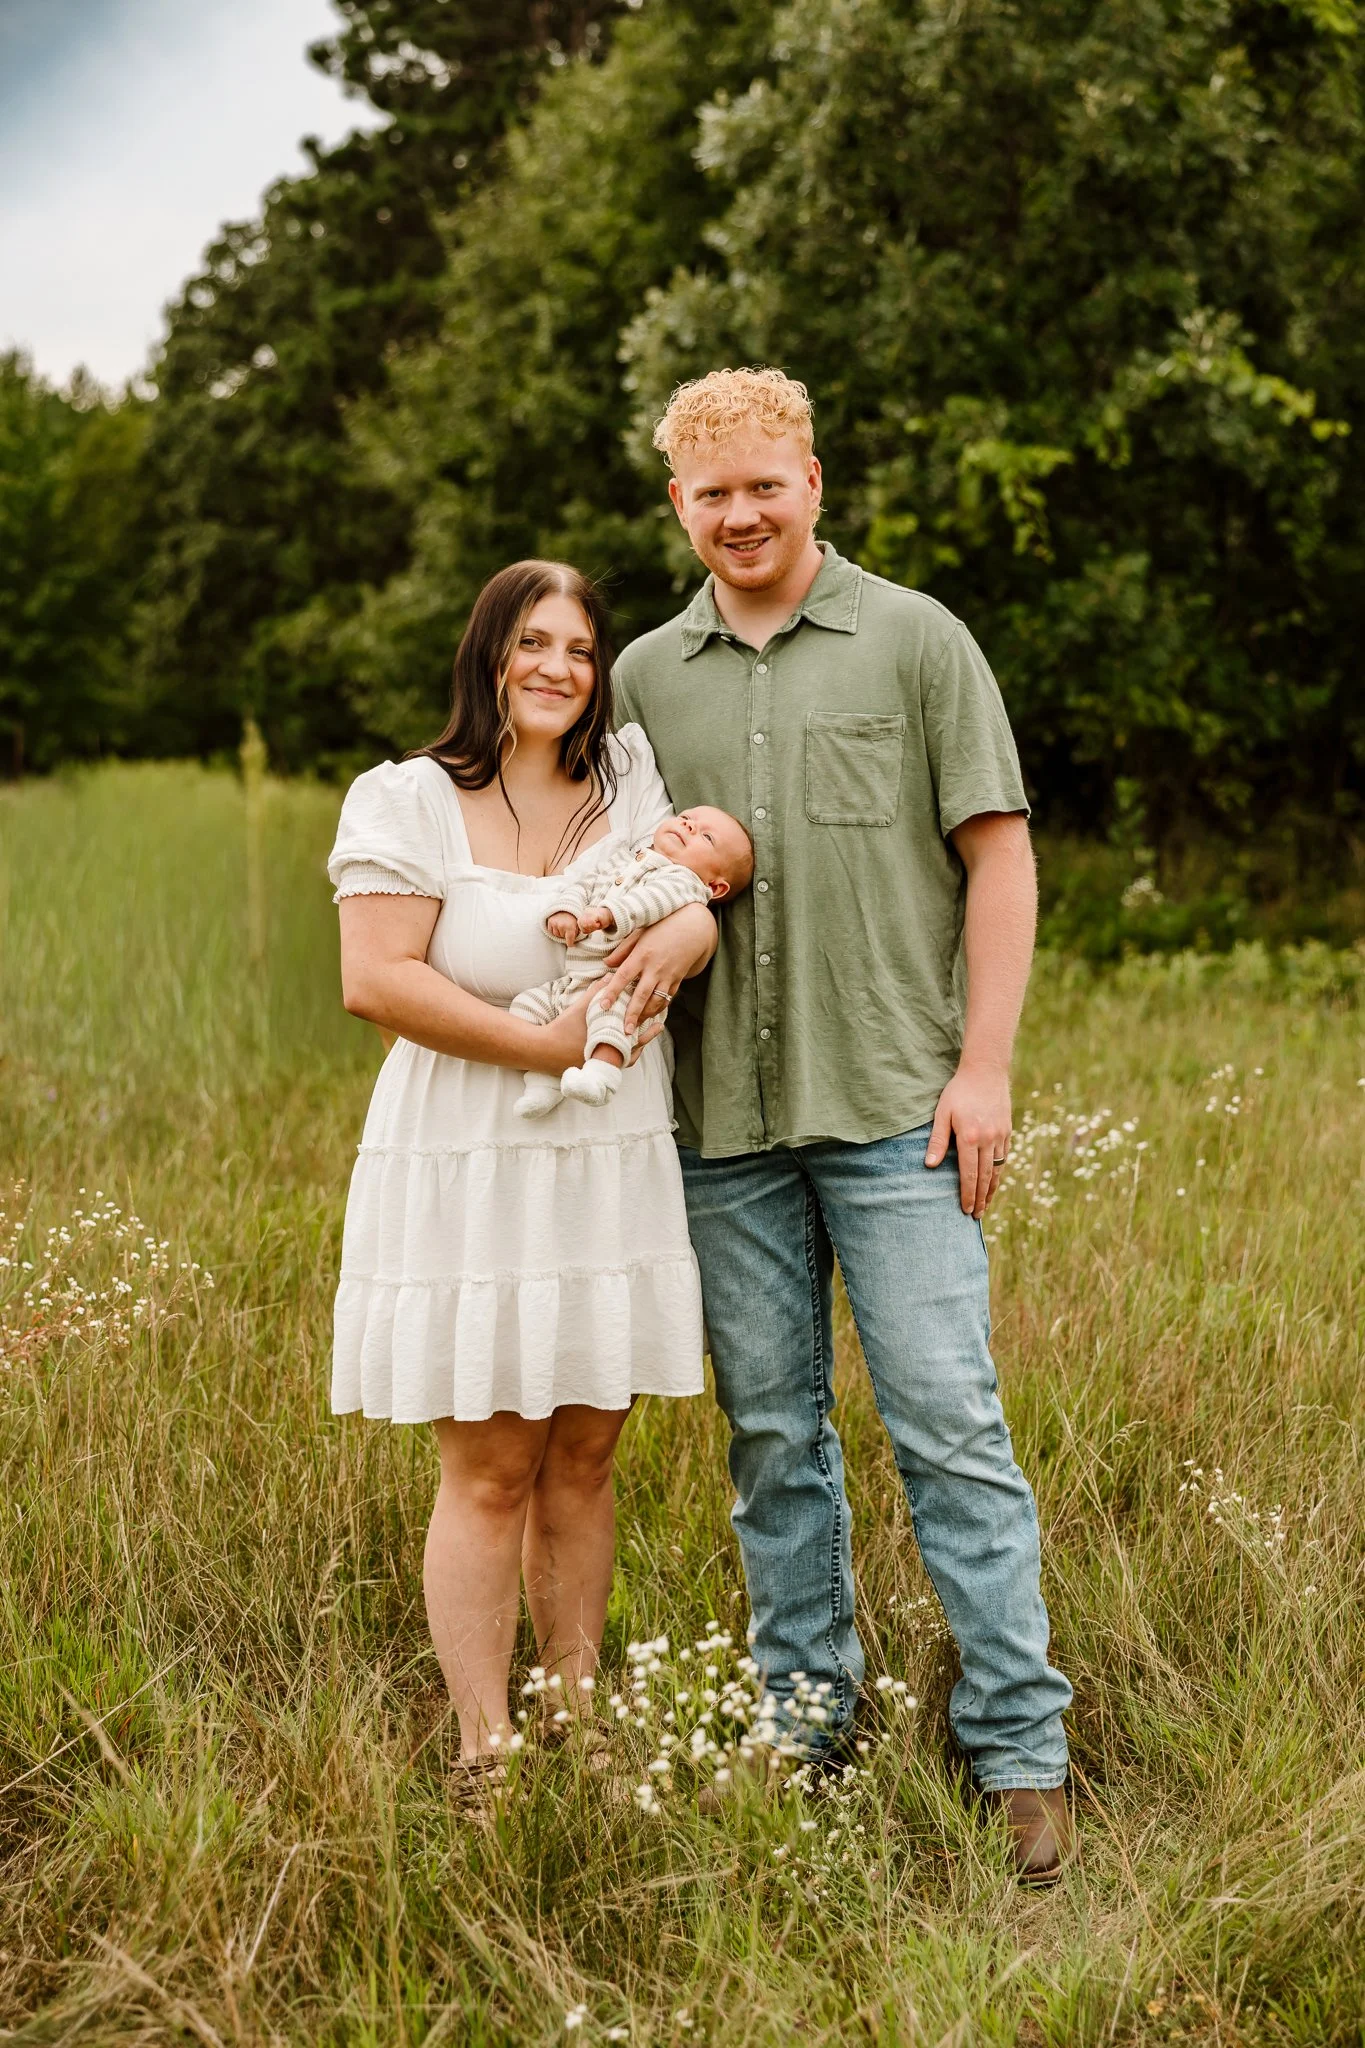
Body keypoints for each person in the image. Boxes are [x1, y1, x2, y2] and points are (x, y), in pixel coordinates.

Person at [598, 367, 1075, 1883]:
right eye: (708, 492)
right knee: (771, 1439)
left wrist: (982, 1067)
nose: (739, 514)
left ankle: (1018, 1746)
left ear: (813, 481)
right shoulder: (641, 681)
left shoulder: (916, 640)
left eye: (764, 484)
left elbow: (997, 857)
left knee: (950, 1424)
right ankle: (809, 1726)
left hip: (896, 1111)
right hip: (718, 1123)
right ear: (677, 506)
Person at [327, 559, 716, 1804]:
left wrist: (696, 920)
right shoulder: (406, 799)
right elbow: (378, 979)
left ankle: (583, 1723)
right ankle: (486, 1746)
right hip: (472, 1151)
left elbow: (691, 884)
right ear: (487, 652)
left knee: (588, 1455)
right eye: (532, 641)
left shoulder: (628, 780)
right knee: (493, 1463)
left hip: (606, 1151)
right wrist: (544, 1040)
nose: (558, 667)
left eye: (580, 648)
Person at [511, 806, 753, 1116]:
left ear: (716, 886)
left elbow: (652, 901)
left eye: (706, 836)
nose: (689, 827)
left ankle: (602, 1079)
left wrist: (610, 915)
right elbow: (586, 883)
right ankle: (544, 1082)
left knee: (612, 1021)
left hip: (621, 986)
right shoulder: (626, 859)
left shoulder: (687, 884)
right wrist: (568, 911)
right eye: (686, 818)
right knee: (527, 1005)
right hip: (573, 980)